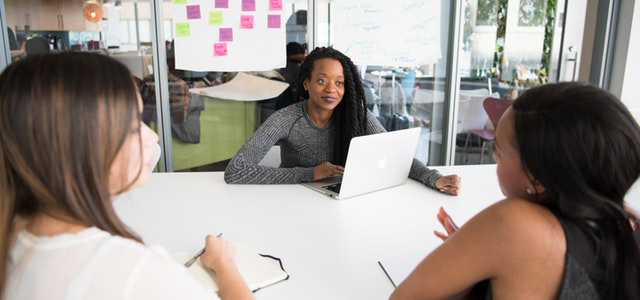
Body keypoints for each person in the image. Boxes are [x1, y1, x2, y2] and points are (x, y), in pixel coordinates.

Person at [0, 53, 254, 300]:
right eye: (133, 126)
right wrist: (224, 262)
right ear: (80, 147)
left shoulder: (16, 236)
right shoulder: (129, 271)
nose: (152, 136)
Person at [390, 82, 640, 299]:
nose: (496, 159)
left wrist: (471, 251)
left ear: (538, 178)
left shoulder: (513, 223)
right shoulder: (625, 222)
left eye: (498, 151)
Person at [224, 47, 460, 195]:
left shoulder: (356, 116)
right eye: (321, 81)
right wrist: (309, 174)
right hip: (291, 203)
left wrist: (434, 178)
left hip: (342, 201)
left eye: (339, 83)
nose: (331, 90)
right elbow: (236, 171)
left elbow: (397, 155)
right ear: (306, 83)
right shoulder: (286, 119)